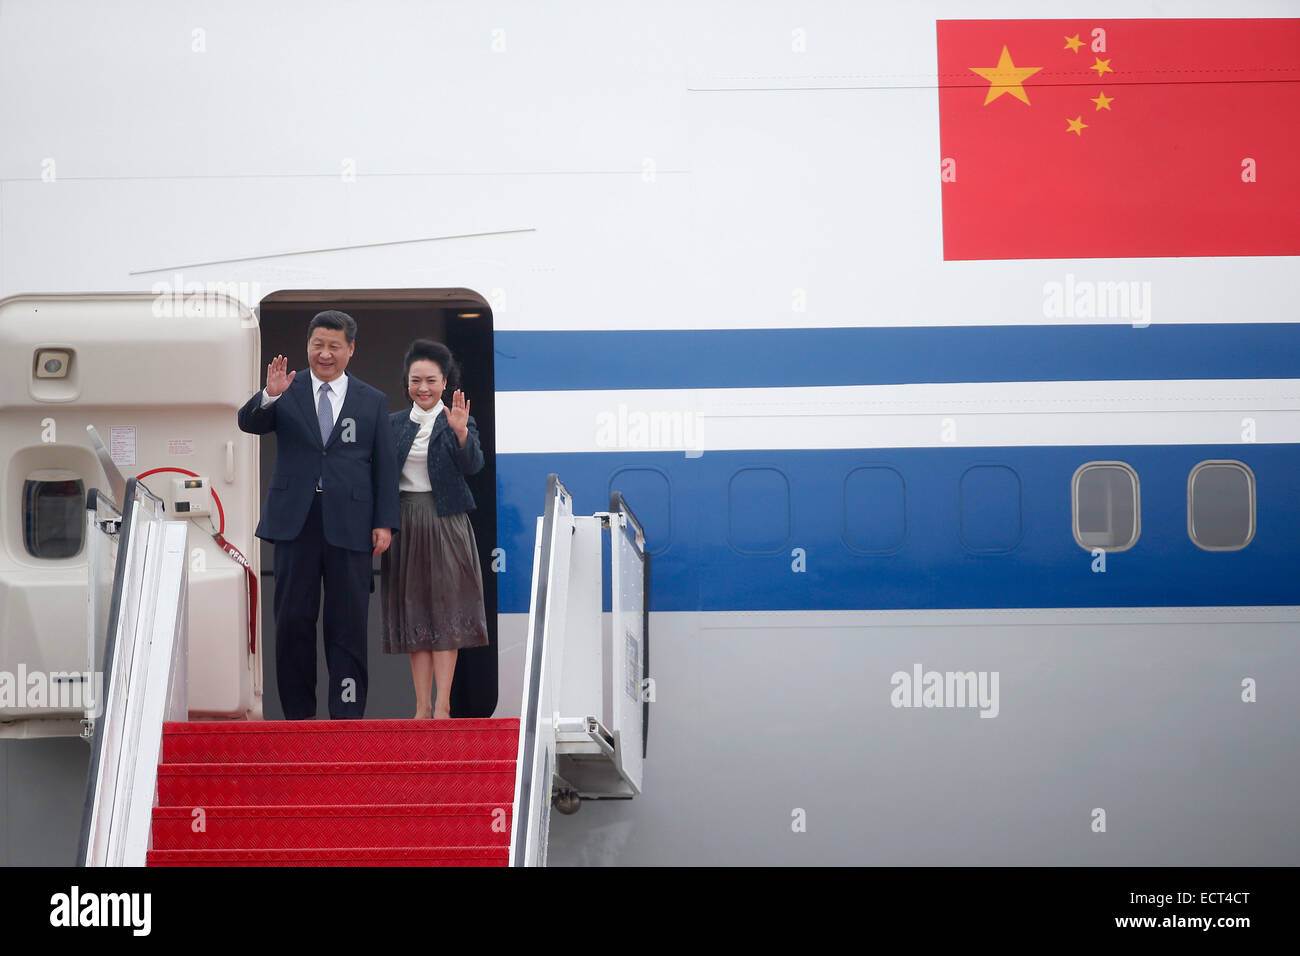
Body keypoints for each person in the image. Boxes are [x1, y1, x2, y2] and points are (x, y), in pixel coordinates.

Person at [237, 310, 399, 719]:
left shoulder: (372, 400)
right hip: (296, 522)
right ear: (308, 346)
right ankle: (298, 716)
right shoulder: (286, 389)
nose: (325, 354)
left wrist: (384, 521)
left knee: (347, 625)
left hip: (352, 525)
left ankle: (346, 713)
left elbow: (383, 465)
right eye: (318, 345)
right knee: (293, 621)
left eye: (334, 346)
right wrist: (270, 395)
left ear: (350, 349)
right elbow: (248, 423)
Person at [381, 339, 489, 719]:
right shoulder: (392, 424)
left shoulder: (459, 418)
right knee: (415, 615)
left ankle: (443, 705)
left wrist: (460, 433)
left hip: (447, 522)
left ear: (445, 382)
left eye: (430, 380)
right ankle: (421, 707)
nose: (423, 388)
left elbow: (473, 465)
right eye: (415, 381)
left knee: (446, 612)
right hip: (405, 522)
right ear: (406, 383)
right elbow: (379, 478)